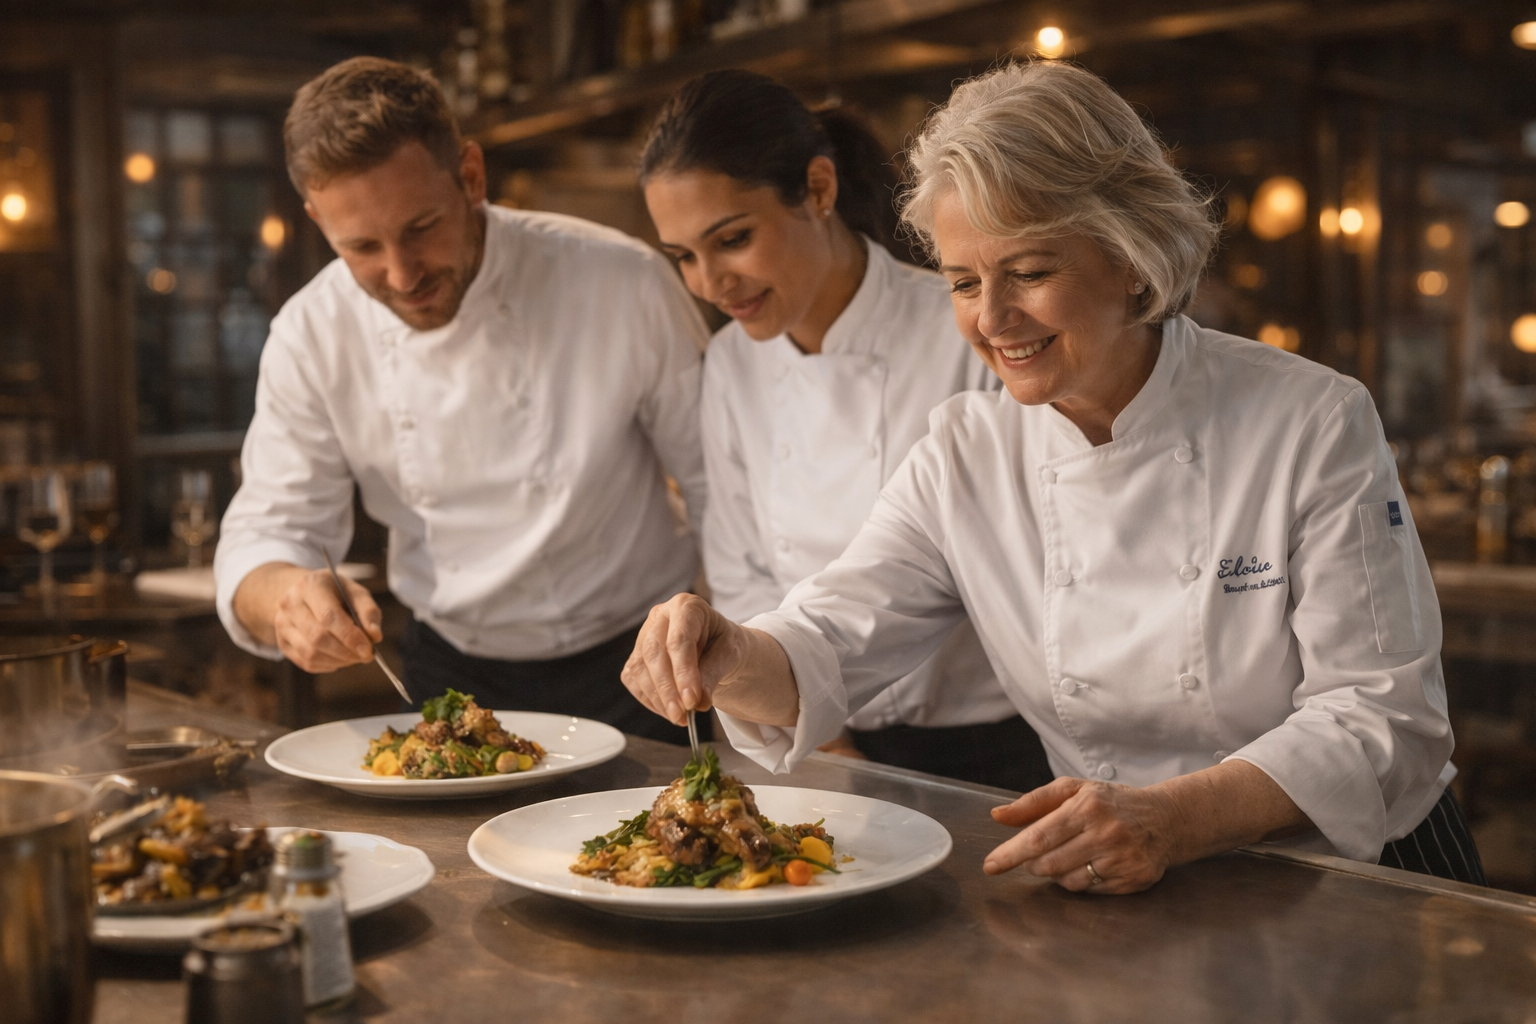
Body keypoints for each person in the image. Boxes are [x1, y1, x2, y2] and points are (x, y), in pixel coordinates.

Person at [619, 61, 1483, 891]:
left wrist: (1174, 819)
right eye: (962, 282)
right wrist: (727, 651)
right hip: (1124, 879)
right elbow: (828, 638)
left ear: (1133, 257)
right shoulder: (967, 452)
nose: (992, 320)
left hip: (1358, 878)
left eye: (1028, 272)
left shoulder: (1311, 420)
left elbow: (1383, 717)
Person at [213, 57, 710, 744]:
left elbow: (725, 489)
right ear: (317, 221)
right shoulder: (311, 334)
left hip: (644, 671)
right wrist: (288, 601)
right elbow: (268, 531)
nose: (400, 272)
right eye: (360, 245)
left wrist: (754, 668)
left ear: (471, 177)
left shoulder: (622, 282)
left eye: (421, 227)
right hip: (449, 680)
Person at [637, 70, 1053, 792]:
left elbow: (1014, 561)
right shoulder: (732, 362)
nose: (710, 283)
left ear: (819, 190)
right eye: (684, 257)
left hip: (998, 742)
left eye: (732, 239)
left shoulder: (974, 332)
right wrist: (826, 735)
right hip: (811, 734)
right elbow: (739, 566)